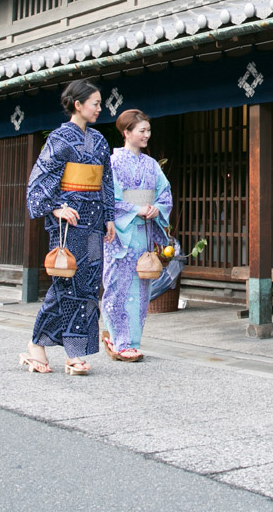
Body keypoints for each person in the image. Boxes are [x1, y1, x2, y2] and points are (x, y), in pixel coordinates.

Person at [19, 79, 115, 375]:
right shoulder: (59, 139)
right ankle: (37, 344)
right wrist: (55, 207)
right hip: (69, 223)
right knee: (66, 282)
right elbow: (39, 181)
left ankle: (74, 351)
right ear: (78, 105)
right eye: (95, 103)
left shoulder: (99, 141)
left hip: (94, 221)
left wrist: (109, 217)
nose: (99, 108)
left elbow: (106, 182)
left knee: (88, 285)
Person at [101, 109, 172, 362]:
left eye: (148, 130)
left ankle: (130, 341)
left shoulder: (151, 165)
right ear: (126, 132)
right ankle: (119, 340)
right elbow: (107, 198)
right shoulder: (112, 162)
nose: (146, 135)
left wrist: (156, 209)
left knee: (141, 288)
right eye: (142, 131)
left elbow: (164, 194)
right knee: (118, 286)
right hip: (120, 235)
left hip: (143, 234)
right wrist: (136, 209)